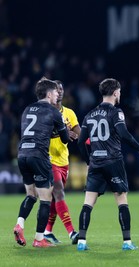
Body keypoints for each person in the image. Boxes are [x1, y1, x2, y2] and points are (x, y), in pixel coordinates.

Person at [76, 78, 139, 251]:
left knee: (88, 203)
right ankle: (127, 242)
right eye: (120, 92)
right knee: (122, 201)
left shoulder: (89, 115)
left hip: (95, 163)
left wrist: (89, 161)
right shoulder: (116, 112)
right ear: (116, 92)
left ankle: (81, 242)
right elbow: (124, 135)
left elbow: (81, 143)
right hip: (113, 162)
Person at [13, 78, 69, 247]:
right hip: (39, 155)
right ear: (49, 93)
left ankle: (19, 224)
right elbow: (65, 138)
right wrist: (60, 128)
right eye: (55, 92)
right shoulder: (54, 112)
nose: (57, 95)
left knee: (30, 195)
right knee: (45, 198)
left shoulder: (27, 109)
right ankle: (39, 239)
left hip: (22, 154)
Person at [44, 80, 80, 245]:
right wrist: (64, 131)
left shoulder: (69, 113)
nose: (60, 91)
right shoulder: (45, 112)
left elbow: (79, 132)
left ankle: (47, 232)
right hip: (48, 159)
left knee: (55, 199)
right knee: (59, 193)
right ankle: (72, 232)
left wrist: (88, 140)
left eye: (62, 88)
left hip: (63, 160)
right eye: (56, 89)